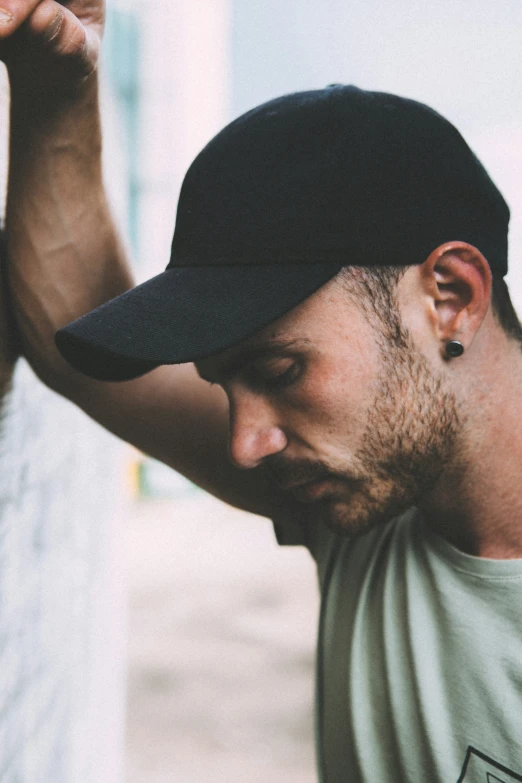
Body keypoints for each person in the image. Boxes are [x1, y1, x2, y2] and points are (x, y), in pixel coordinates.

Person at [3, 2, 522, 781]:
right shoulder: (368, 506)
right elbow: (75, 331)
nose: (246, 444)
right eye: (223, 381)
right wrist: (57, 86)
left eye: (281, 371)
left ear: (449, 296)